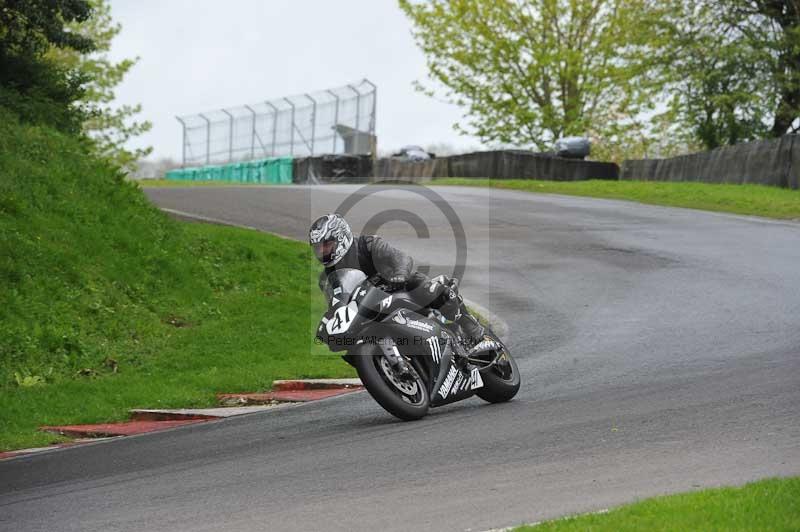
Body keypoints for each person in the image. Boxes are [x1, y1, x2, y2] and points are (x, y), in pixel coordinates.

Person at [309, 213, 487, 347]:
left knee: (428, 289)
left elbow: (401, 258)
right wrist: (328, 325)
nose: (322, 252)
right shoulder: (327, 278)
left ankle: (468, 323)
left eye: (326, 245)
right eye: (318, 248)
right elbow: (337, 305)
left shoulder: (367, 245)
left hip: (397, 287)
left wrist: (399, 274)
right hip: (369, 307)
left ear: (340, 238)